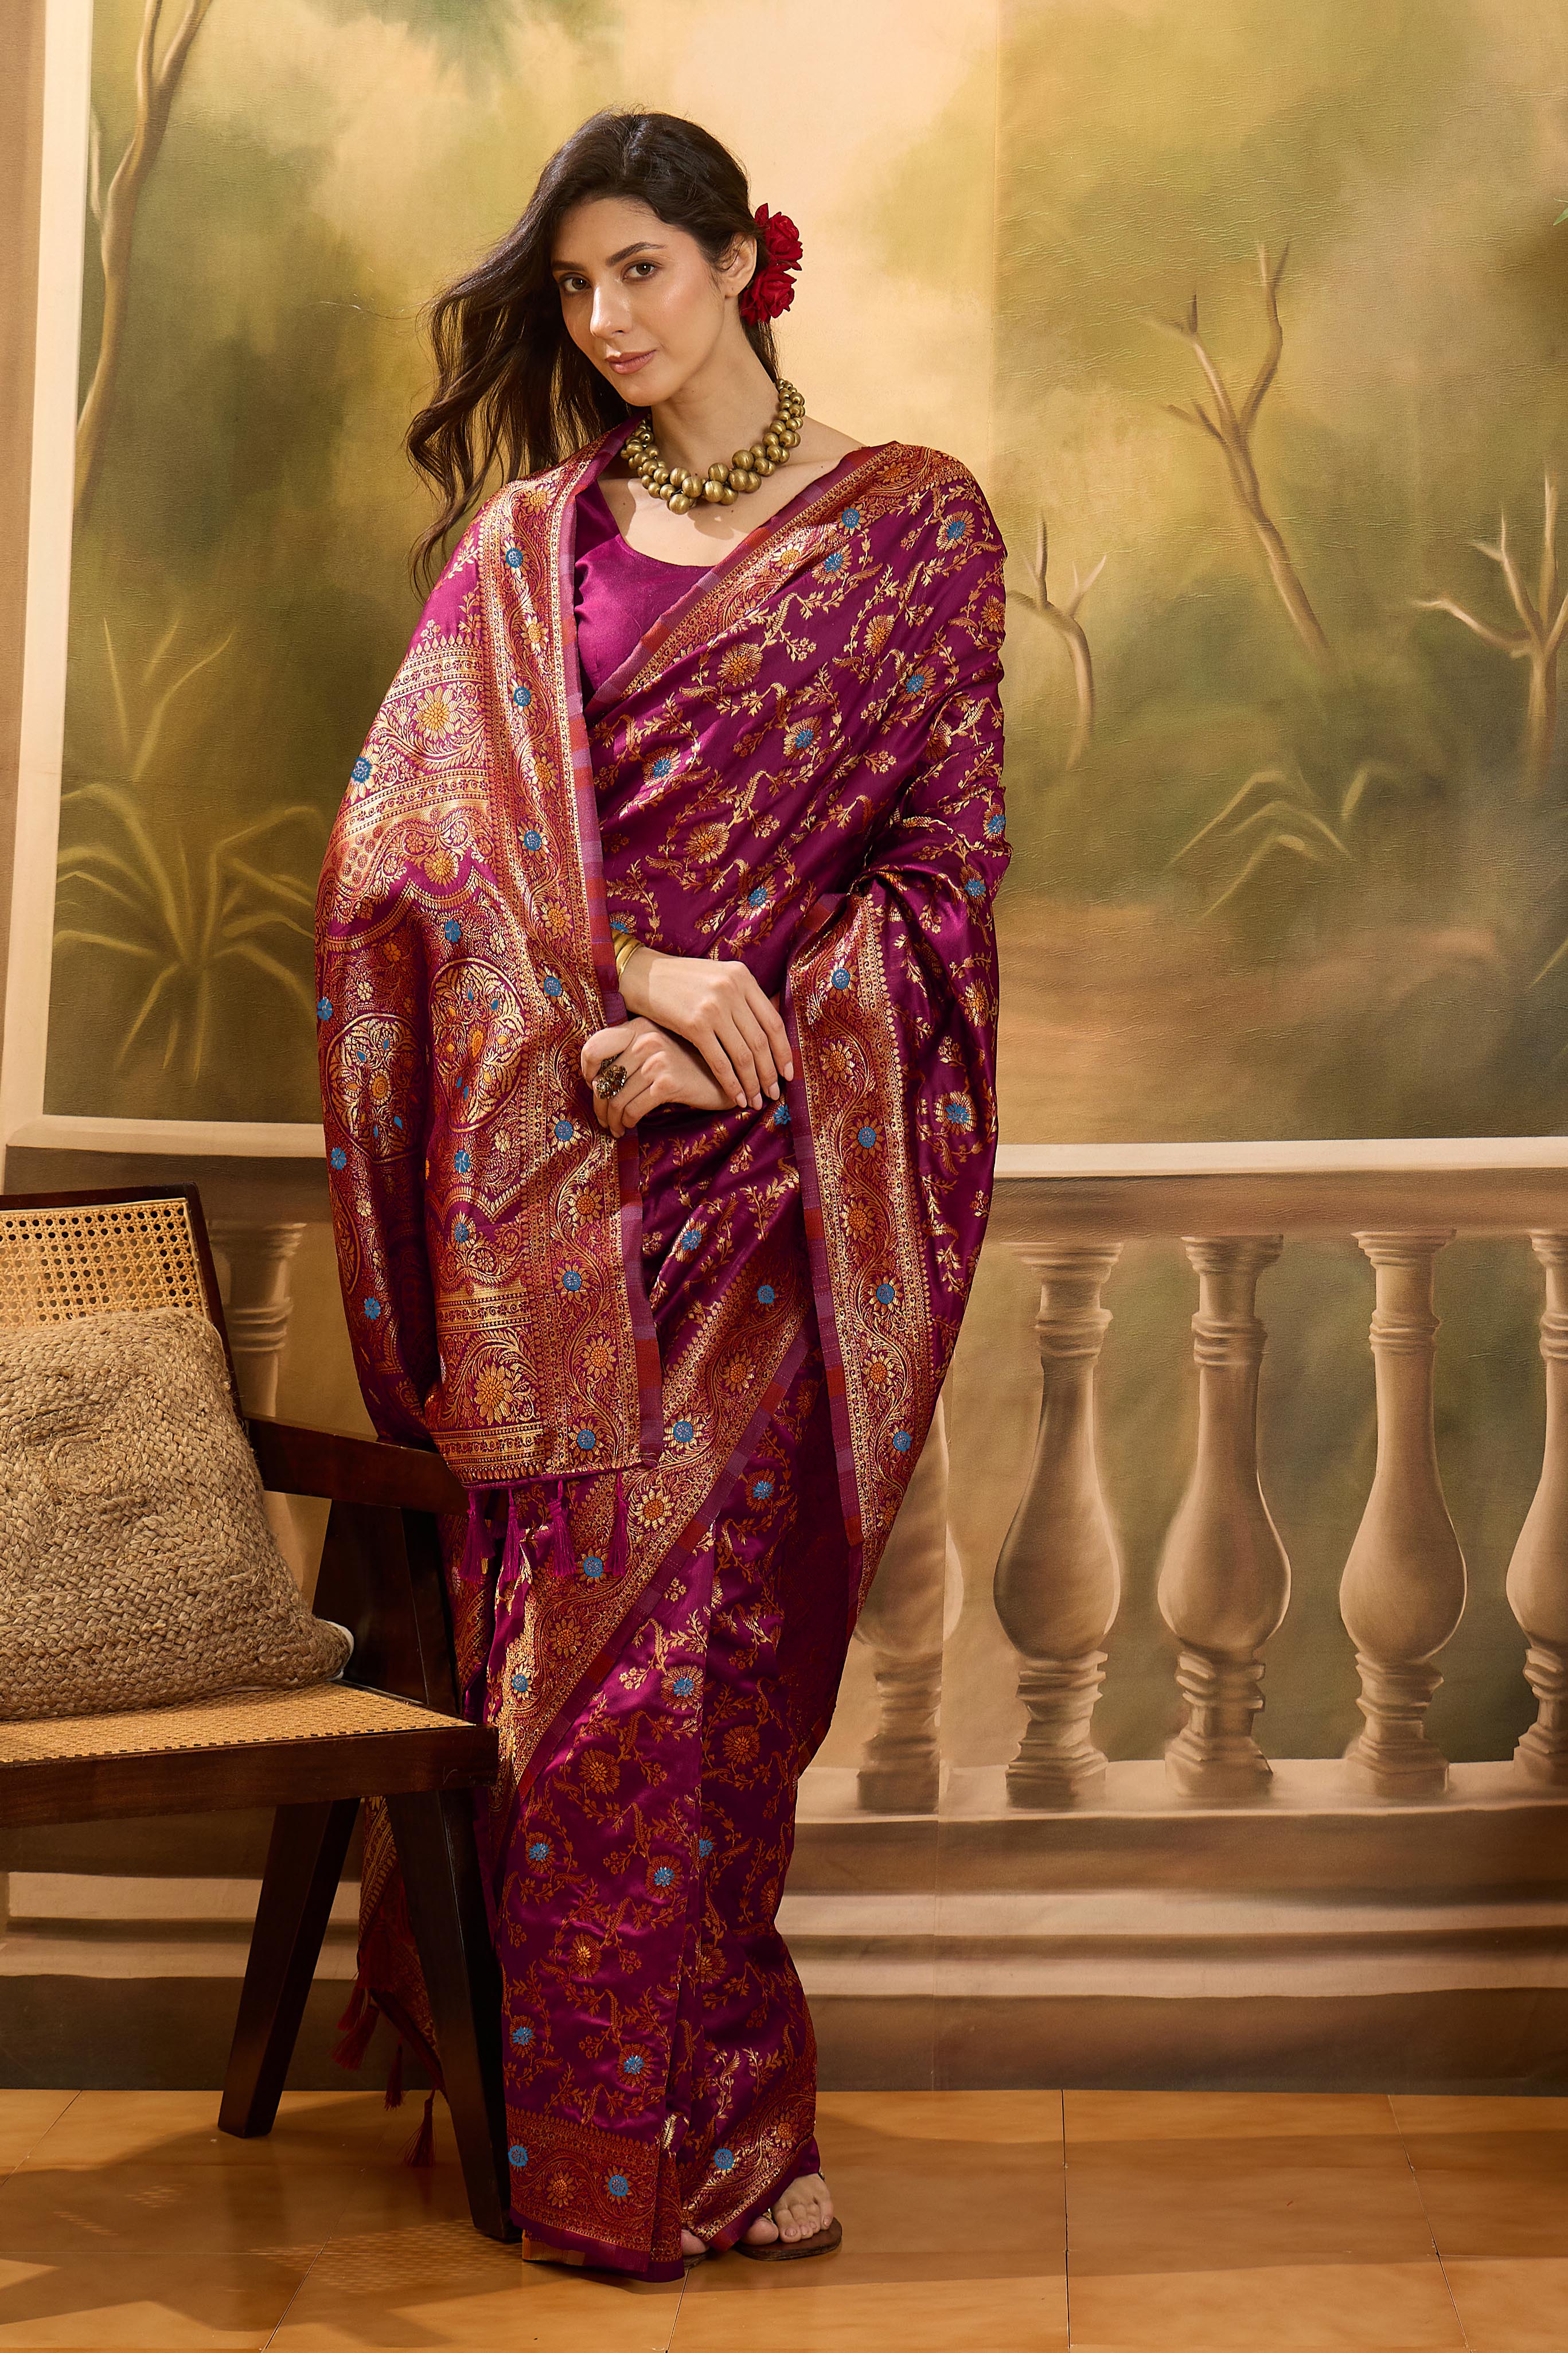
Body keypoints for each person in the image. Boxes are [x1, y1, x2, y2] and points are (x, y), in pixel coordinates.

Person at [315, 106, 1009, 2284]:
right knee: (577, 1678)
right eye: (578, 285)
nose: (609, 319)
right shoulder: (532, 548)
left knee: (728, 1678)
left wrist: (744, 1031)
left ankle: (726, 2125)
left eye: (644, 269)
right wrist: (632, 987)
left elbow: (945, 872)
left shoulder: (915, 531)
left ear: (742, 263)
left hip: (783, 1179)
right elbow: (412, 862)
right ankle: (577, 2136)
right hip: (553, 1186)